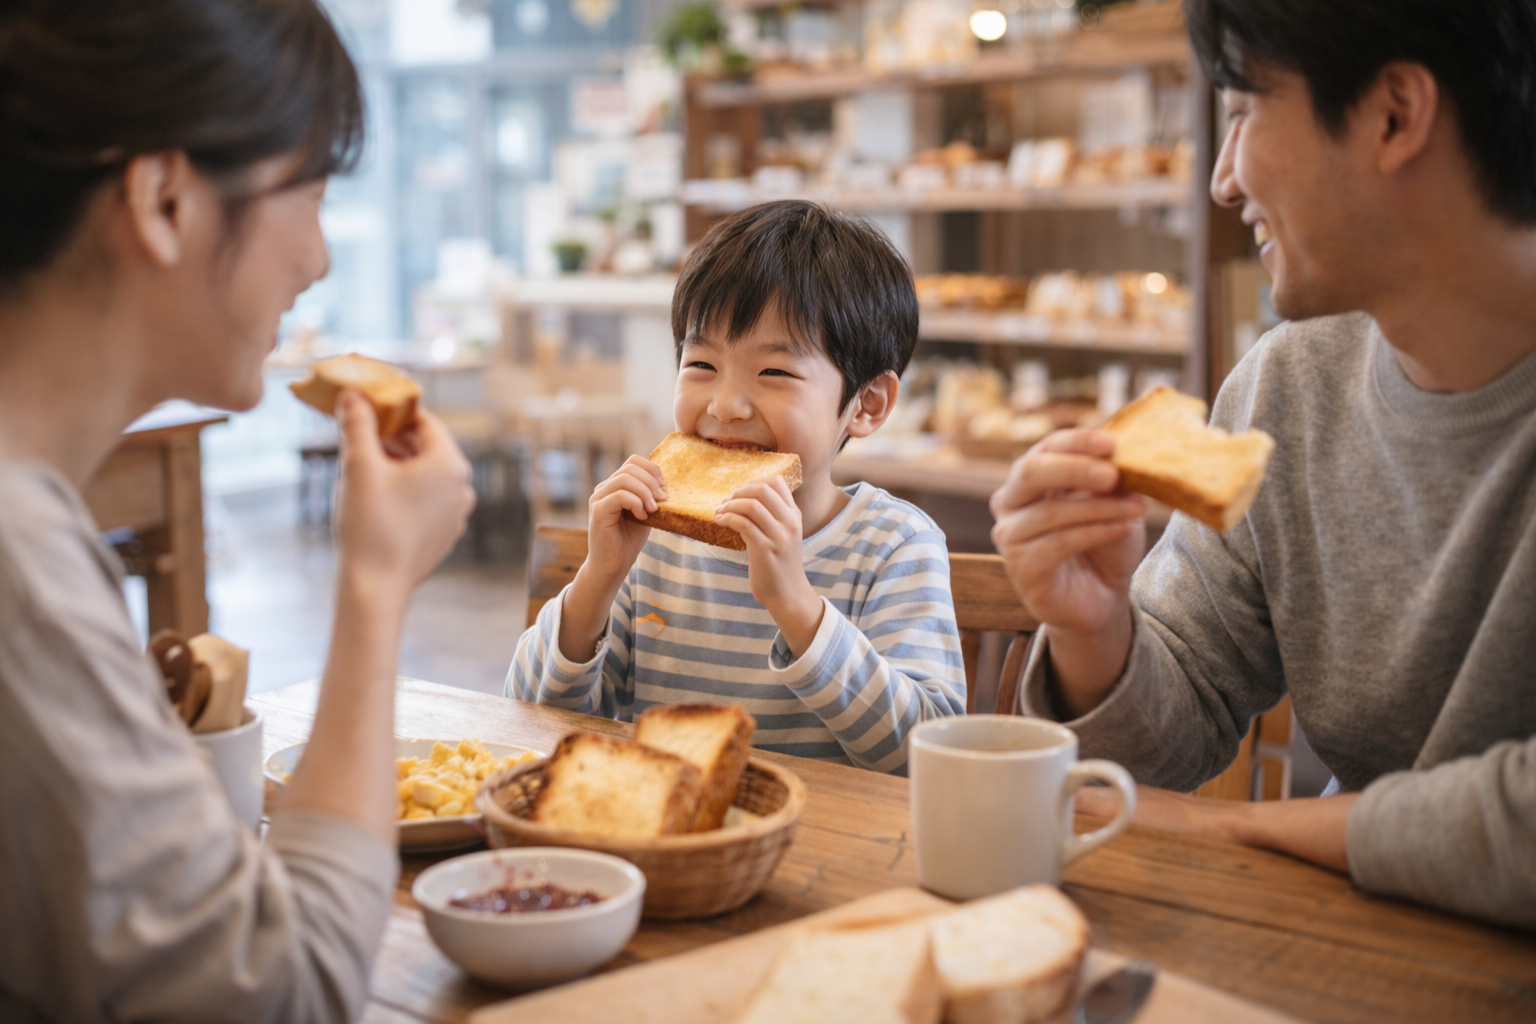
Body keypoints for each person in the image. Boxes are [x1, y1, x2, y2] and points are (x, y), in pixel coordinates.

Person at [990, 0, 1536, 929]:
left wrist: (1241, 830)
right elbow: (1172, 732)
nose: (1220, 180)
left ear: (1395, 114)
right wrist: (1095, 632)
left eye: (1241, 111)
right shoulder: (1289, 384)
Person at [0, 2, 475, 1020]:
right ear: (166, 198)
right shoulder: (17, 559)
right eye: (306, 192)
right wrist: (375, 585)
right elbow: (278, 996)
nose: (319, 259)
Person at [508, 202, 966, 773]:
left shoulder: (894, 544)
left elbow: (929, 756)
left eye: (774, 372)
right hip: (667, 840)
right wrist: (598, 577)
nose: (726, 405)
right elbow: (529, 717)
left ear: (866, 405)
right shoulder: (653, 541)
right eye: (701, 364)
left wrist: (796, 605)